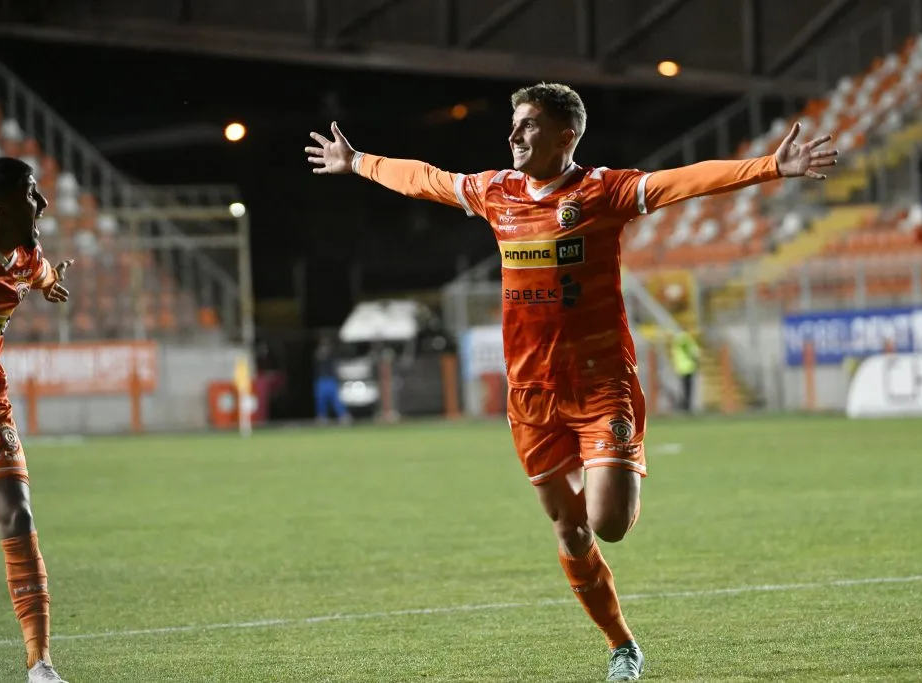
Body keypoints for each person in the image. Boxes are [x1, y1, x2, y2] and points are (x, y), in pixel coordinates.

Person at [305, 83, 836, 681]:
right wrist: (357, 163)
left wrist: (771, 166)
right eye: (512, 124)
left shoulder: (602, 193)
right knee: (569, 526)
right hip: (531, 397)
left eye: (528, 125)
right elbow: (426, 177)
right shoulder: (496, 193)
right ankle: (622, 646)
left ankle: (610, 459)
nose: (513, 135)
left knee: (608, 524)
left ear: (566, 136)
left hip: (600, 384)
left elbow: (685, 179)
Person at [0, 157, 74, 683]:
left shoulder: (24, 254)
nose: (42, 204)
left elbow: (35, 270)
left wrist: (49, 282)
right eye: (31, 195)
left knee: (17, 518)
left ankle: (40, 666)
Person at [313, 336, 350, 424]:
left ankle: (343, 415)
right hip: (321, 379)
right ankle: (322, 417)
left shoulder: (333, 354)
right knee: (321, 400)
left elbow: (336, 365)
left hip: (331, 379)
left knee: (335, 399)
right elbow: (317, 363)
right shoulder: (318, 354)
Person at [668, 329, 700, 413]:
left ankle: (683, 406)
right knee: (688, 389)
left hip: (681, 368)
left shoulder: (676, 342)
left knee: (683, 389)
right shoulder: (688, 341)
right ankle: (686, 407)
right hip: (689, 367)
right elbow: (695, 352)